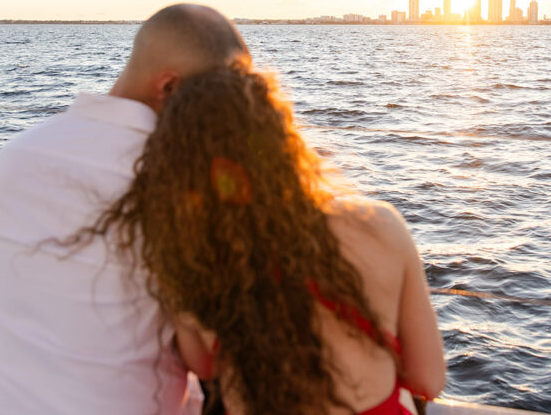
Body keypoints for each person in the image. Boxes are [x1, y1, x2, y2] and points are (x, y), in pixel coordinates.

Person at [83, 55, 446, 414]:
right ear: (283, 142)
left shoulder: (192, 260)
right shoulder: (379, 226)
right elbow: (428, 380)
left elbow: (205, 368)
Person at [0, 4, 249, 414]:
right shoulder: (177, 185)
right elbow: (208, 360)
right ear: (169, 87)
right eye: (217, 100)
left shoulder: (15, 155)